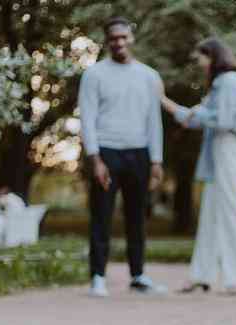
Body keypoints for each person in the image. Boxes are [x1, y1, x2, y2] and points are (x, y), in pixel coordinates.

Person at [161, 38, 236, 295]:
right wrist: (164, 101)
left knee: (231, 211)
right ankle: (201, 274)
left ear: (213, 57)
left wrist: (195, 113)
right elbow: (194, 119)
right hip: (220, 150)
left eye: (201, 59)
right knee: (211, 214)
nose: (199, 65)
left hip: (231, 149)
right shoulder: (220, 86)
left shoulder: (228, 81)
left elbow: (224, 121)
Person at [78, 17, 167, 298]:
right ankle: (98, 277)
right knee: (101, 216)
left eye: (123, 37)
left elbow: (155, 120)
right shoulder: (94, 75)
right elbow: (87, 119)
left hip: (139, 153)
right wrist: (95, 159)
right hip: (106, 151)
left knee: (137, 217)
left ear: (131, 38)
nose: (119, 42)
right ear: (107, 42)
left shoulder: (149, 76)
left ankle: (138, 275)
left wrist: (156, 160)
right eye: (113, 38)